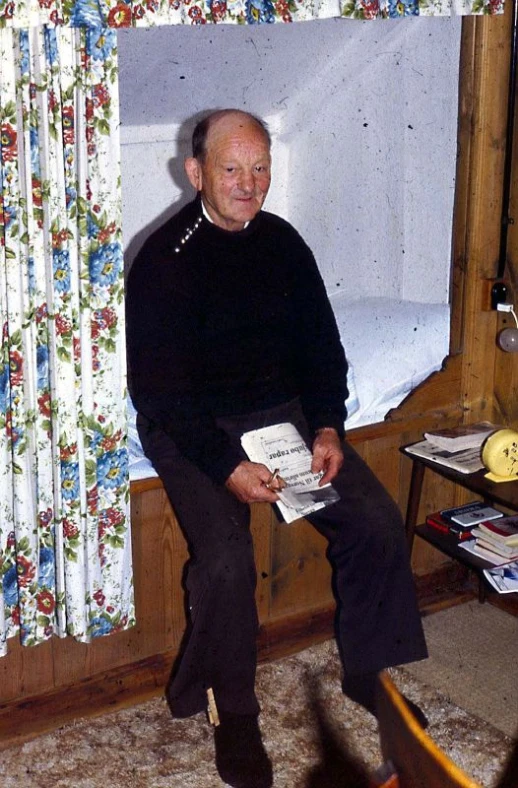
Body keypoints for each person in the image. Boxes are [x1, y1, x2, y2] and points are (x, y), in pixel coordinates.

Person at [126, 109, 428, 788]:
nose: (249, 183)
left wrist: (326, 427)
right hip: (190, 425)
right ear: (196, 172)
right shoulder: (162, 262)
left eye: (261, 167)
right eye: (232, 169)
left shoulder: (284, 244)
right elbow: (160, 396)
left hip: (280, 415)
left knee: (375, 522)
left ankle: (367, 672)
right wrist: (227, 466)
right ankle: (232, 713)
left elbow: (324, 351)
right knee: (229, 563)